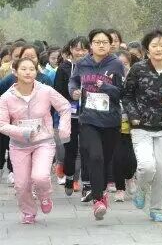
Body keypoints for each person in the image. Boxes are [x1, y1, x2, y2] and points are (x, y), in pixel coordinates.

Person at [122, 29, 162, 222]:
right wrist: (133, 116)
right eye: (154, 45)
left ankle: (157, 208)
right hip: (141, 126)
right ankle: (141, 188)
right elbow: (127, 95)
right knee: (147, 167)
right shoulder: (138, 69)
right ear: (147, 49)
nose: (158, 49)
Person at [0, 57, 72, 224]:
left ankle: (44, 195)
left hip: (43, 141)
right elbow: (2, 124)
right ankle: (28, 211)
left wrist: (64, 128)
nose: (28, 72)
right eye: (23, 69)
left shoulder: (45, 91)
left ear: (36, 71)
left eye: (32, 69)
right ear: (15, 71)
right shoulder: (6, 98)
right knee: (22, 184)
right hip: (19, 145)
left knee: (40, 176)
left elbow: (64, 107)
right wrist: (22, 132)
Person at [69, 29, 126, 220]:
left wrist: (105, 86)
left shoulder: (116, 64)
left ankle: (101, 191)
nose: (101, 45)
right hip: (88, 119)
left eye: (104, 42)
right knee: (95, 157)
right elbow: (73, 81)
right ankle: (98, 200)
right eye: (97, 42)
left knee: (105, 159)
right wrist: (74, 91)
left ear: (110, 45)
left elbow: (121, 93)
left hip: (110, 121)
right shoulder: (82, 63)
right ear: (91, 45)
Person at [54, 37, 89, 196]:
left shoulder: (93, 67)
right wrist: (71, 96)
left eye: (84, 49)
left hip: (89, 116)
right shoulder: (64, 68)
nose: (80, 52)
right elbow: (57, 92)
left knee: (87, 149)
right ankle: (69, 176)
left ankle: (86, 183)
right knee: (71, 149)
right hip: (70, 116)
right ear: (71, 50)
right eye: (77, 49)